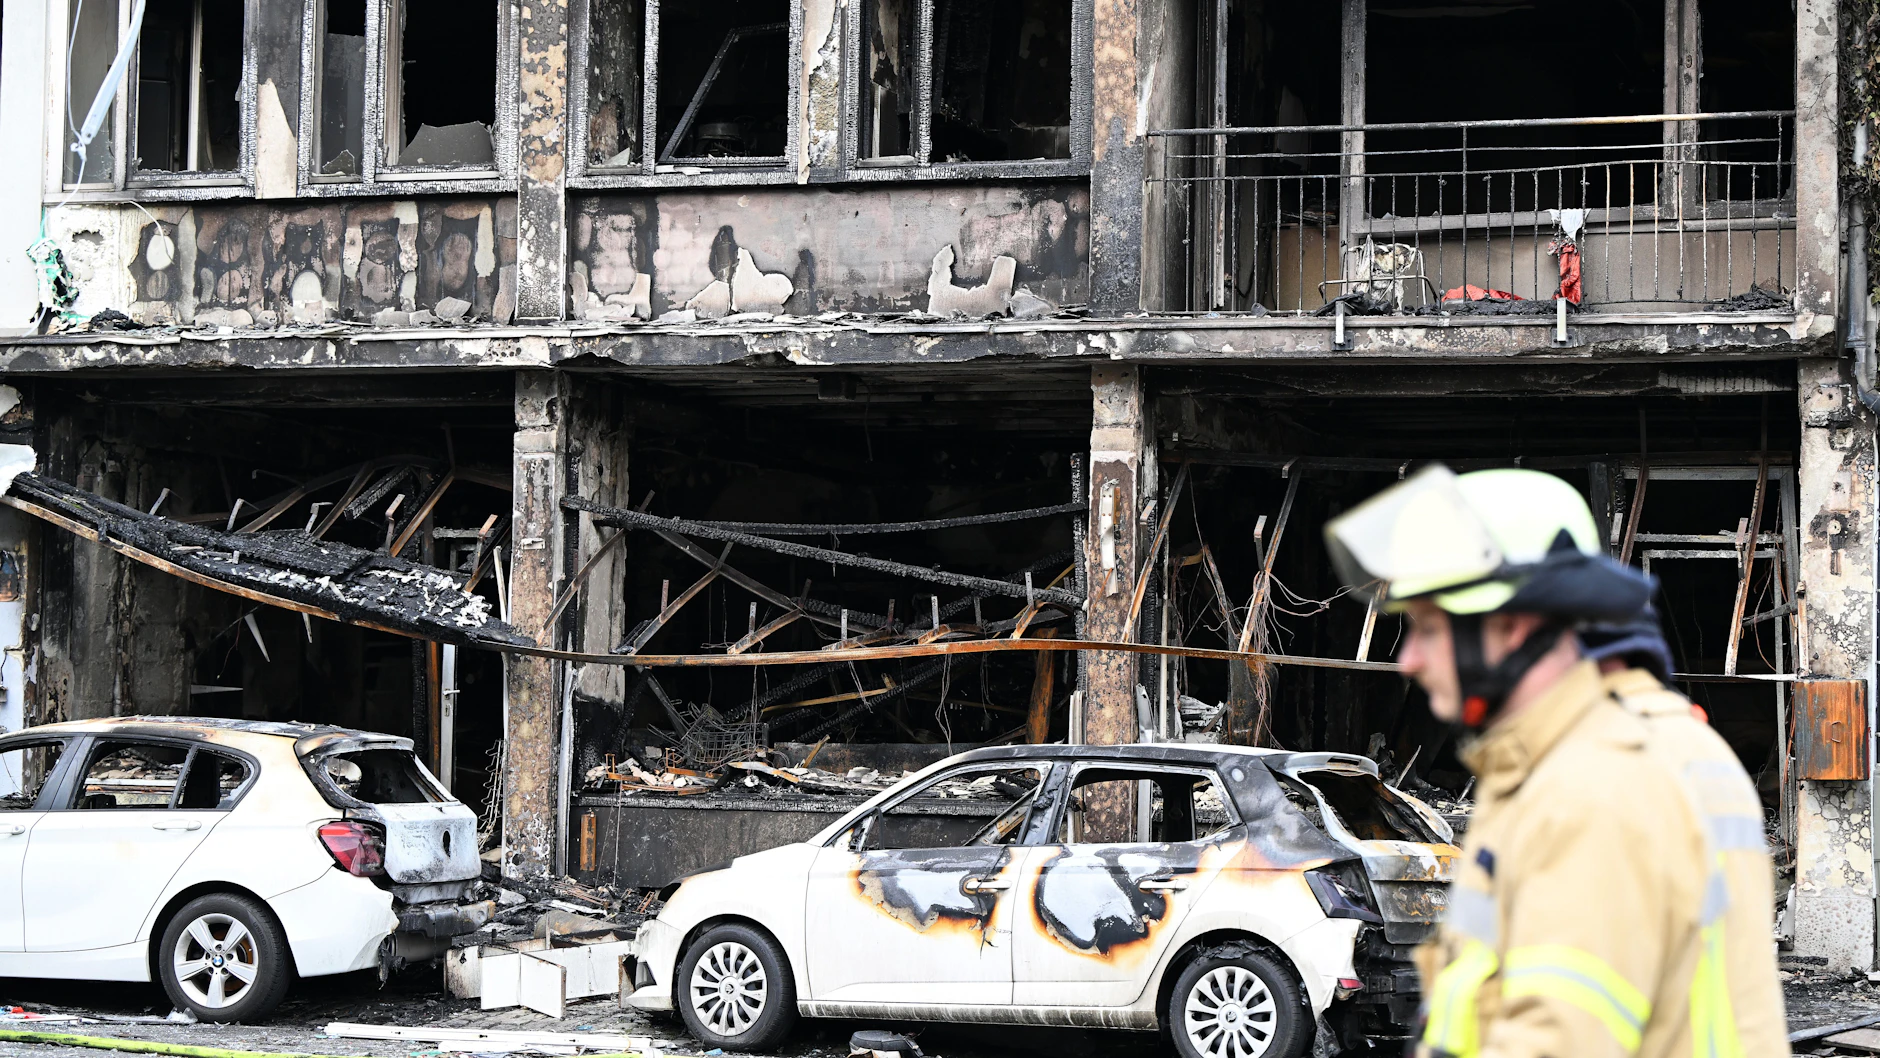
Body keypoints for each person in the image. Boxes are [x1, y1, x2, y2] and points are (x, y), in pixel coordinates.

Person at [1325, 465, 1787, 1058]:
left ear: (1514, 626)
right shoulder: (1597, 754)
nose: (1409, 659)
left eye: (1429, 627)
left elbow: (1556, 1035)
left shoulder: (1601, 779)